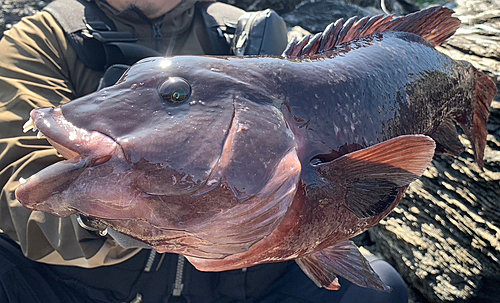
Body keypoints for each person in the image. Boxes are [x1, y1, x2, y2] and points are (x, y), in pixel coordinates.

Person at [0, 0, 409, 302]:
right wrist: (110, 218)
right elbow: (15, 182)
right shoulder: (42, 40)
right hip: (93, 286)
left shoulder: (250, 32)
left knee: (378, 290)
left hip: (239, 278)